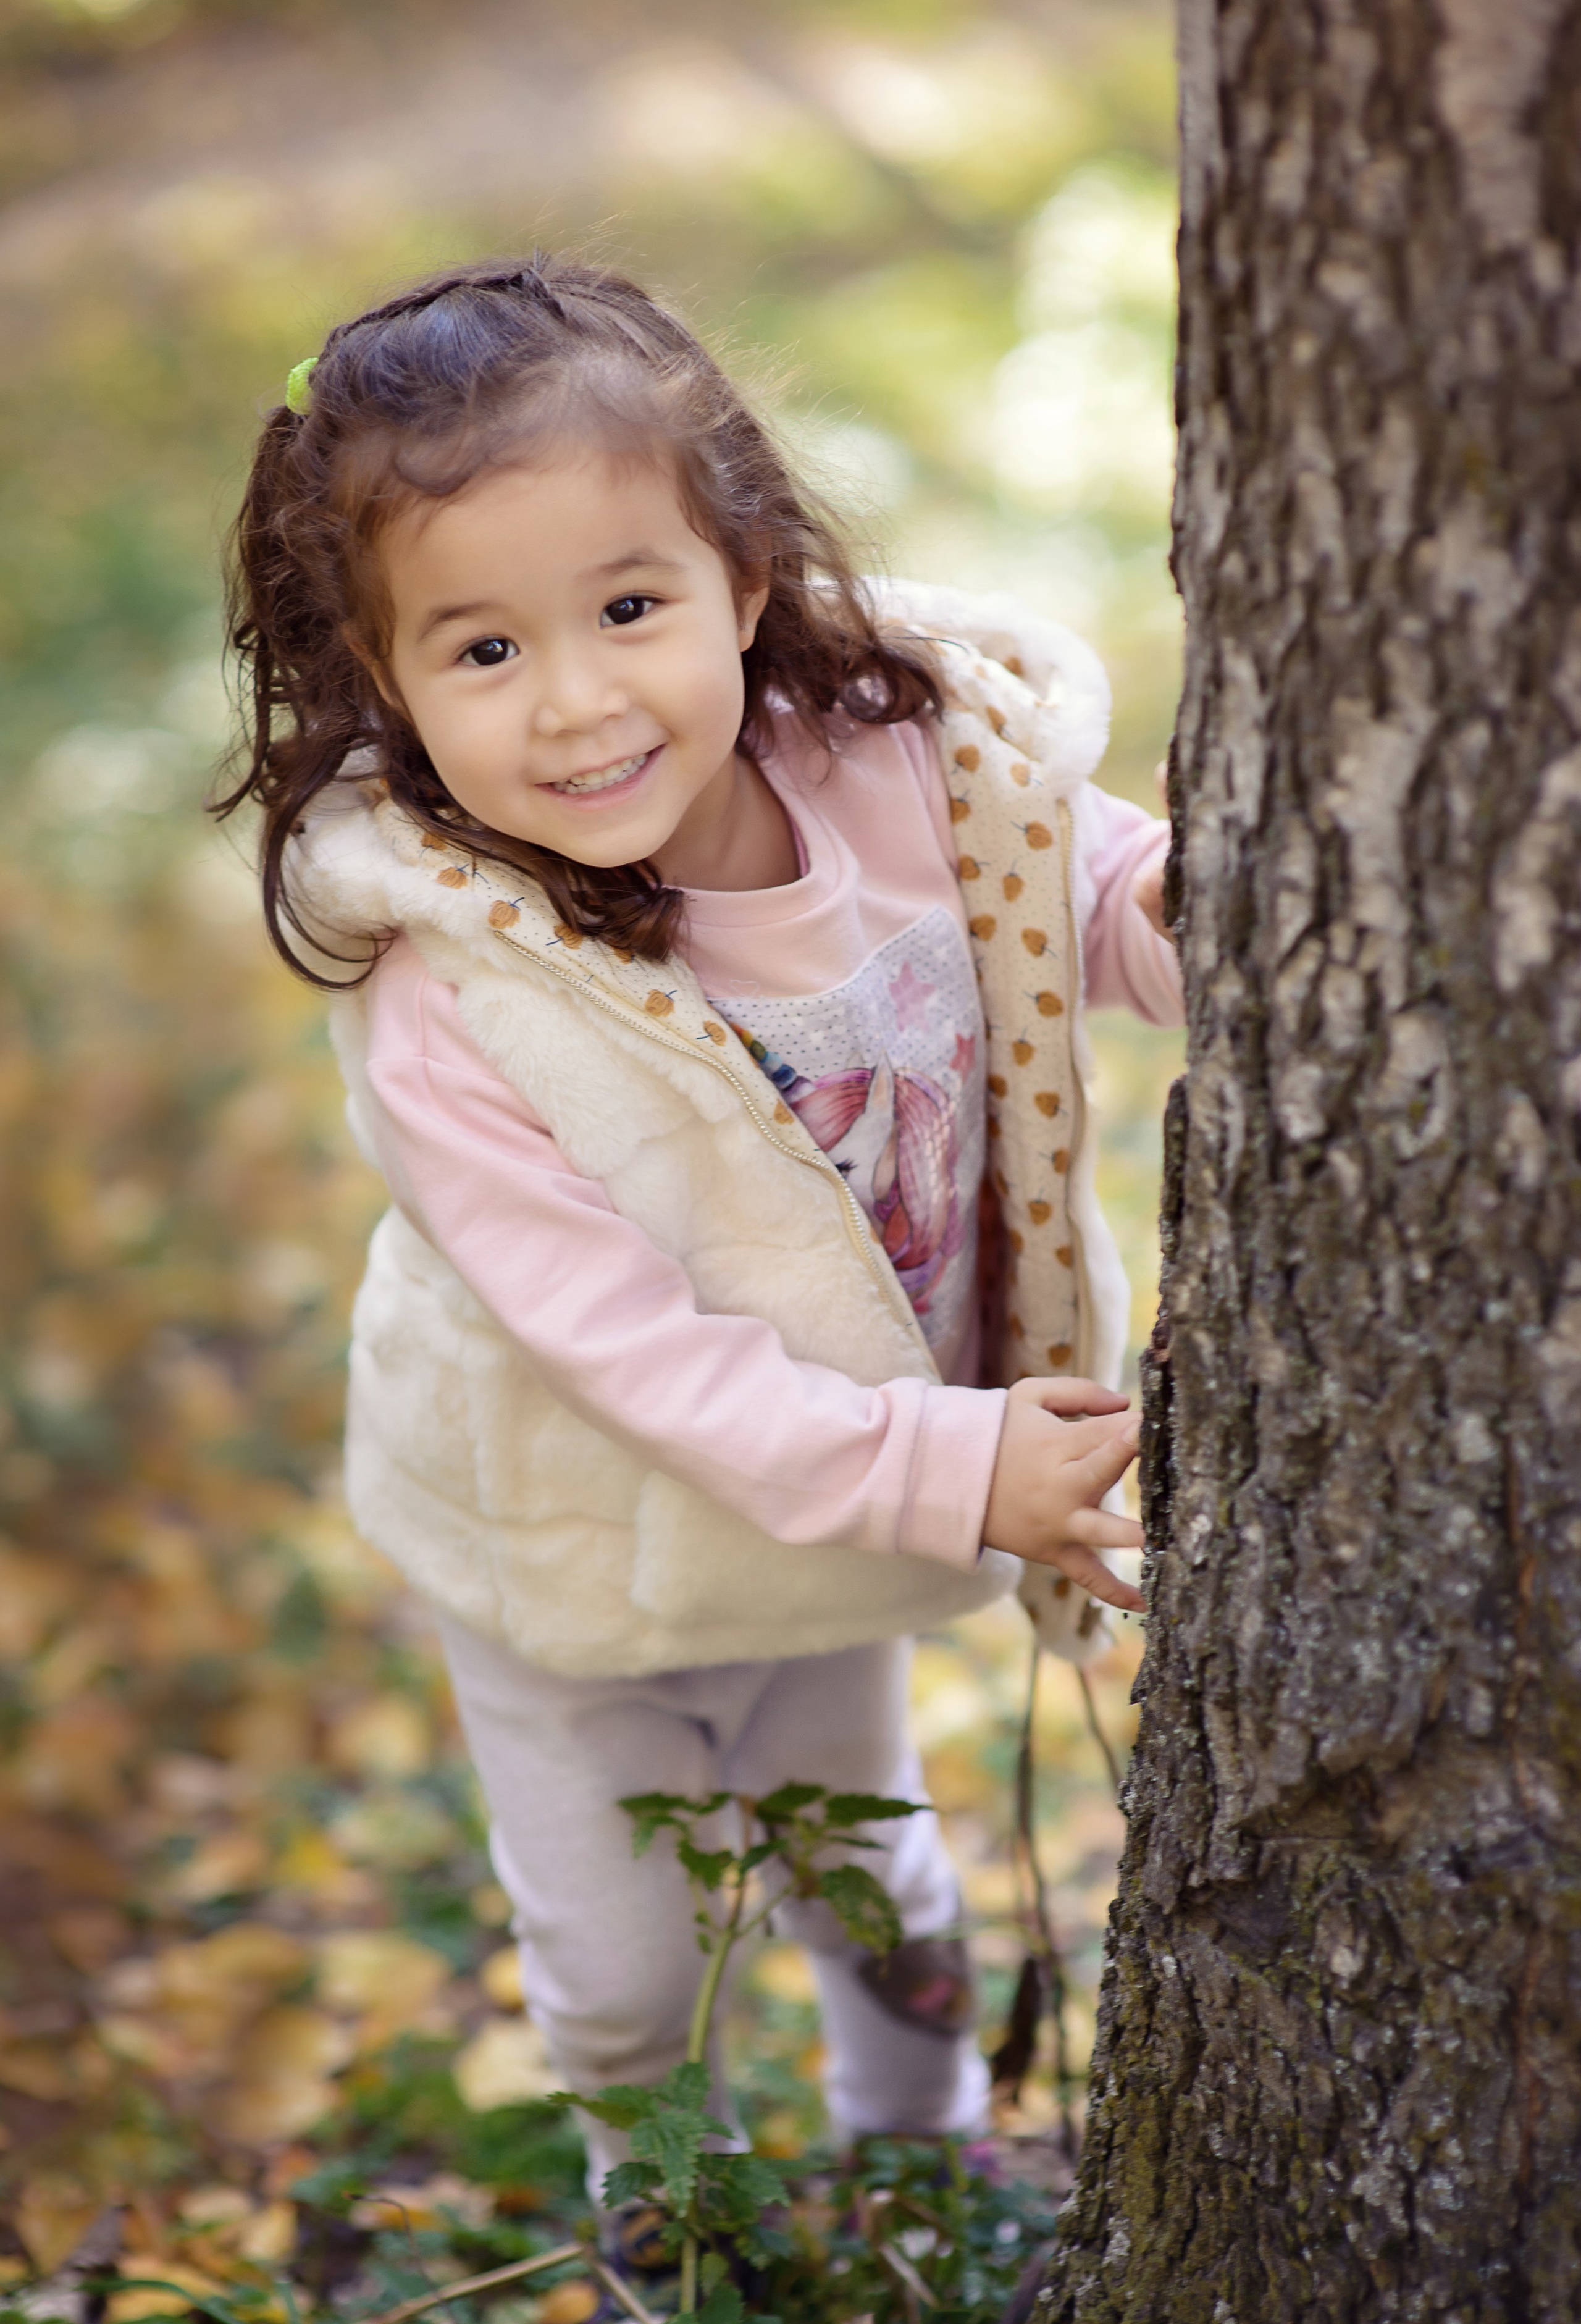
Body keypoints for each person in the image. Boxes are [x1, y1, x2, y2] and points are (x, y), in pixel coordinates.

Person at [219, 256, 1182, 2211]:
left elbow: (1102, 905)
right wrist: (945, 1456)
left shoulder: (914, 777)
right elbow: (634, 1352)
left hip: (811, 1531)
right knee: (626, 1964)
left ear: (744, 578)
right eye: (481, 652)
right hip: (571, 1560)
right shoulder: (457, 1005)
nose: (578, 702)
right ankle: (677, 2248)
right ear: (383, 682)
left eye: (631, 608)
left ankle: (916, 2190)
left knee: (878, 1878)